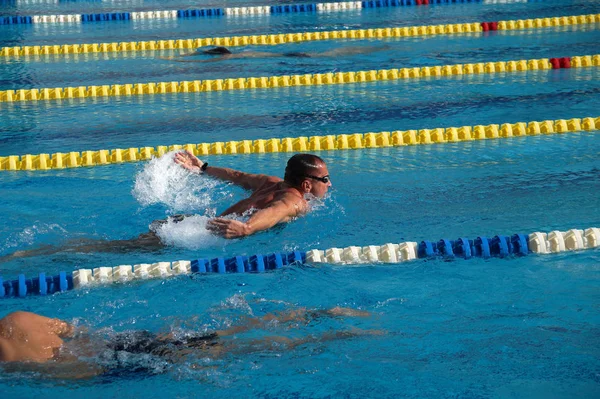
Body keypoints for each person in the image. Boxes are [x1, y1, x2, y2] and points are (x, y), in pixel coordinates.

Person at [0, 153, 331, 260]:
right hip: (202, 234)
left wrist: (202, 169)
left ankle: (39, 252)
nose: (329, 185)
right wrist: (246, 229)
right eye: (325, 180)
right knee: (113, 249)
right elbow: (275, 214)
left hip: (192, 223)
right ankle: (34, 254)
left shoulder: (271, 182)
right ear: (306, 185)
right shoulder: (296, 200)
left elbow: (238, 176)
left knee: (123, 245)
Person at [0, 307, 380, 377]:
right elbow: (76, 329)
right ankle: (317, 315)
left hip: (113, 363)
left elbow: (68, 373)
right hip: (122, 340)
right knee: (224, 333)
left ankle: (336, 337)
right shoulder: (19, 318)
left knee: (233, 351)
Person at [161, 44, 390, 63]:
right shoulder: (243, 53)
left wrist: (175, 59)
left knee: (328, 55)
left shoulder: (233, 55)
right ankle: (375, 48)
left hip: (291, 57)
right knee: (331, 53)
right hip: (289, 55)